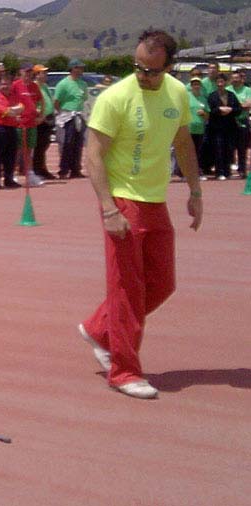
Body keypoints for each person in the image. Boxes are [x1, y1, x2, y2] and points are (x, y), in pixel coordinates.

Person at [79, 30, 203, 399]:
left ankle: (99, 327)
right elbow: (93, 155)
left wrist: (196, 192)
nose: (142, 76)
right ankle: (124, 370)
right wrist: (108, 209)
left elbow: (183, 143)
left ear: (168, 67)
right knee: (127, 290)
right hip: (122, 200)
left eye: (151, 71)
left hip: (155, 200)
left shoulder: (177, 94)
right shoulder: (115, 97)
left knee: (163, 283)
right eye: (138, 68)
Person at [54, 58, 88, 179]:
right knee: (67, 143)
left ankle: (75, 169)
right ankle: (63, 169)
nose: (81, 70)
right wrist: (61, 113)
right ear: (73, 69)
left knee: (78, 143)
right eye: (79, 68)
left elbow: (84, 99)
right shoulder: (63, 84)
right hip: (67, 115)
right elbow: (56, 101)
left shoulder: (83, 84)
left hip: (78, 114)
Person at [0, 75, 24, 189]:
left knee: (11, 155)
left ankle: (9, 179)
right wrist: (14, 110)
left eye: (7, 84)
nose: (6, 86)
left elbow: (22, 107)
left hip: (12, 128)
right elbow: (7, 112)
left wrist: (13, 110)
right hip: (0, 128)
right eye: (3, 84)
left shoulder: (14, 96)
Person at [207, 73, 242, 180]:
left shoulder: (231, 95)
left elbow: (238, 109)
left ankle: (227, 172)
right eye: (218, 82)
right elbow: (210, 110)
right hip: (217, 127)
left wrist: (230, 110)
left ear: (226, 83)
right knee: (218, 149)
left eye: (222, 82)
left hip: (230, 127)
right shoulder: (212, 96)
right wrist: (220, 110)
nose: (220, 84)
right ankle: (219, 172)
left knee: (229, 149)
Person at [32, 64, 57, 180]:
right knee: (40, 146)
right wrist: (40, 115)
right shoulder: (34, 87)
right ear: (37, 75)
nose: (45, 75)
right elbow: (33, 104)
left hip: (48, 118)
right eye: (43, 73)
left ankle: (41, 168)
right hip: (40, 119)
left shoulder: (45, 86)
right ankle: (38, 169)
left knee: (45, 145)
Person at [227, 69, 251, 179]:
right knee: (229, 147)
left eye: (237, 78)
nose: (235, 80)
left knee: (242, 147)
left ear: (241, 79)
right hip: (229, 122)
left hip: (243, 121)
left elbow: (248, 104)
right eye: (233, 79)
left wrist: (235, 107)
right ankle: (229, 169)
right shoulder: (228, 90)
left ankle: (242, 170)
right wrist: (239, 106)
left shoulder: (247, 90)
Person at [187, 77, 210, 180]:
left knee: (198, 152)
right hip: (188, 129)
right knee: (188, 152)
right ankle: (186, 173)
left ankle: (197, 172)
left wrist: (204, 113)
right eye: (194, 84)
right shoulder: (186, 97)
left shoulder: (203, 99)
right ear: (191, 86)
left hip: (199, 129)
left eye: (198, 84)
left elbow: (207, 116)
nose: (196, 86)